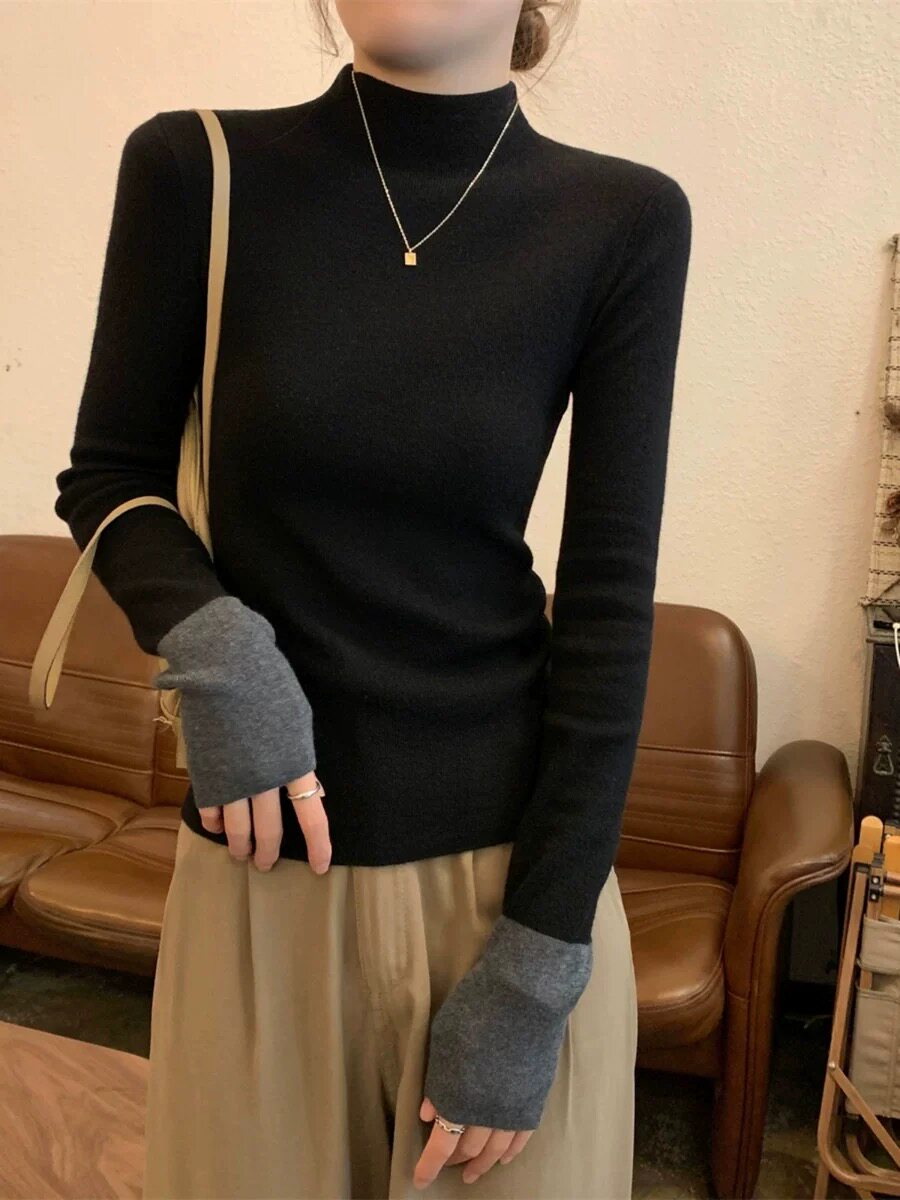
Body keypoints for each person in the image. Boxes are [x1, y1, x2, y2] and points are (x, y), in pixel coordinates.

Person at [54, 0, 692, 1196]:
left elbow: (610, 602)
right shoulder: (198, 170)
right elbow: (109, 473)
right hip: (260, 888)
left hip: (508, 884)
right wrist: (219, 651)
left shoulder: (623, 218)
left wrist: (538, 966)